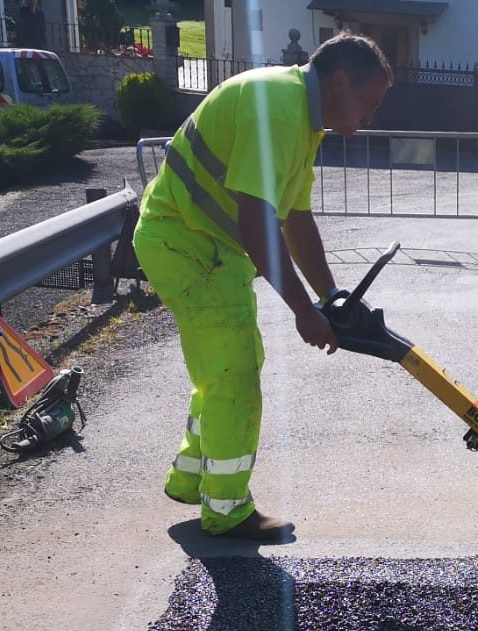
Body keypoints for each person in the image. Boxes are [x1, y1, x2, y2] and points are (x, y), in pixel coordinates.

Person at [131, 34, 391, 542]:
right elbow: (257, 223)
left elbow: (295, 220)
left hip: (204, 246)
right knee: (234, 379)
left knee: (227, 365)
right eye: (370, 102)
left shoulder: (301, 117)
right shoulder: (278, 109)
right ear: (339, 82)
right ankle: (226, 512)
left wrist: (332, 299)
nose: (371, 117)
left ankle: (191, 480)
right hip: (185, 243)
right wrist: (302, 311)